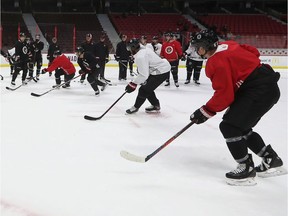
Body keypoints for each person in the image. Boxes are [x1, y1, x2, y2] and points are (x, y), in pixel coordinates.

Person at [189, 30, 286, 186]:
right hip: (266, 86)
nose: (196, 51)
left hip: (258, 91)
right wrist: (243, 71)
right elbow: (253, 52)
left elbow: (224, 95)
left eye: (199, 47)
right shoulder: (228, 45)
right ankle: (271, 159)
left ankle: (245, 168)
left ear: (208, 46)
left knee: (229, 127)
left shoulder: (215, 62)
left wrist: (205, 111)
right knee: (241, 127)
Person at [125, 38, 171, 114]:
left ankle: (135, 107)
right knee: (147, 88)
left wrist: (133, 83)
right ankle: (155, 105)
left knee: (143, 90)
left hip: (161, 72)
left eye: (129, 48)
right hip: (160, 69)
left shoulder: (141, 56)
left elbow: (144, 75)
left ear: (133, 48)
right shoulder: (142, 49)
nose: (129, 50)